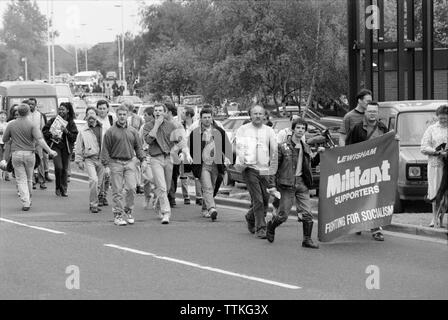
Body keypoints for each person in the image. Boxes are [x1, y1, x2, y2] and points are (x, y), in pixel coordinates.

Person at [266, 118, 323, 248]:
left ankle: (307, 240)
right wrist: (272, 185)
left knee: (307, 213)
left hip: (302, 183)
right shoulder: (282, 147)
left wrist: (319, 154)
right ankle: (271, 226)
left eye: (303, 128)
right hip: (286, 184)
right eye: (298, 128)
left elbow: (310, 164)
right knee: (283, 215)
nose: (300, 130)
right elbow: (273, 166)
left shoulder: (306, 147)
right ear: (292, 129)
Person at [345, 101, 388, 241]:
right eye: (369, 111)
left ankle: (376, 229)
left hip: (377, 170)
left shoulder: (383, 128)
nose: (372, 114)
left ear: (378, 113)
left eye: (374, 112)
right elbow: (349, 148)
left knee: (375, 198)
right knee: (360, 198)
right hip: (360, 170)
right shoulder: (357, 129)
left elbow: (388, 146)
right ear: (365, 112)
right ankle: (359, 224)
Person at [143, 103, 192, 224]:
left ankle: (158, 205)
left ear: (165, 112)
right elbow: (148, 140)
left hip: (169, 158)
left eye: (160, 110)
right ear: (153, 112)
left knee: (168, 186)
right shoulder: (148, 126)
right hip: (155, 158)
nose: (158, 112)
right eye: (156, 110)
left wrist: (186, 152)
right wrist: (157, 125)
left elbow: (180, 141)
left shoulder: (171, 125)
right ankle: (166, 213)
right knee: (162, 186)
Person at [2, 103, 57, 210]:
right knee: (29, 178)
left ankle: (25, 201)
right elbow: (40, 140)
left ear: (18, 112)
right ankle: (29, 197)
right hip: (29, 154)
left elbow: (4, 139)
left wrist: (12, 141)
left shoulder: (11, 124)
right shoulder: (32, 125)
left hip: (16, 154)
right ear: (28, 112)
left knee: (20, 179)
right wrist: (50, 151)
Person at [235, 105, 278, 239]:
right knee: (258, 200)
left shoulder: (269, 131)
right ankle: (261, 228)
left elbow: (274, 150)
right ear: (250, 116)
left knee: (265, 199)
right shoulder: (243, 129)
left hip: (265, 169)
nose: (258, 116)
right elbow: (237, 147)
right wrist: (244, 157)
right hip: (250, 169)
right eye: (255, 114)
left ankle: (250, 216)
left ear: (264, 116)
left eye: (260, 114)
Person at [101, 104, 146, 226]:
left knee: (132, 188)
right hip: (115, 163)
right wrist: (105, 166)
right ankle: (118, 215)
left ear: (128, 115)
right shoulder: (110, 132)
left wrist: (143, 159)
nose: (122, 117)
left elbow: (139, 147)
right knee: (117, 190)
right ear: (116, 115)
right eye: (119, 114)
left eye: (124, 114)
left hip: (130, 162)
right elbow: (105, 149)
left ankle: (128, 210)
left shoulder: (133, 131)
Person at [188, 106, 232, 221]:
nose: (207, 119)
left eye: (209, 117)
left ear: (212, 118)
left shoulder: (219, 131)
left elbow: (226, 146)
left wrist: (227, 158)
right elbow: (190, 148)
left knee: (212, 187)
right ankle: (212, 208)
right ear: (200, 119)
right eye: (204, 117)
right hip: (203, 165)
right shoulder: (195, 133)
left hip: (216, 164)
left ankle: (205, 208)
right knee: (207, 187)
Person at [42, 102, 78, 197]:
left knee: (65, 170)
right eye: (60, 109)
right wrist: (52, 135)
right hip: (55, 146)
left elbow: (74, 137)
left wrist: (66, 131)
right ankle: (58, 187)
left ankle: (64, 189)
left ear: (68, 110)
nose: (61, 111)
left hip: (66, 148)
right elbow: (44, 130)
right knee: (58, 167)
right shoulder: (54, 120)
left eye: (63, 109)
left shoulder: (71, 123)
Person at [421, 104, 448, 228]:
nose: (443, 120)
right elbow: (423, 147)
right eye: (441, 118)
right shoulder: (431, 129)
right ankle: (434, 218)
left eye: (445, 118)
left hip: (446, 165)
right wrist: (436, 152)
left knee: (446, 194)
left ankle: (442, 218)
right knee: (436, 191)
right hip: (436, 165)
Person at [74, 107, 104, 213]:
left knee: (99, 183)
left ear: (96, 115)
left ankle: (94, 201)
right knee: (94, 181)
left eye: (92, 113)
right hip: (89, 159)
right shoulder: (83, 131)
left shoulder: (103, 128)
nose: (90, 116)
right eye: (88, 114)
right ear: (86, 117)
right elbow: (78, 147)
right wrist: (79, 160)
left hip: (102, 159)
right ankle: (93, 205)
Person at [96, 100, 116, 207]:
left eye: (104, 108)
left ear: (108, 109)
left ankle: (104, 195)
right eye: (100, 108)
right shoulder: (94, 120)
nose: (102, 110)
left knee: (108, 175)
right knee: (101, 174)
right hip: (99, 150)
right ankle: (100, 195)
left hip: (110, 150)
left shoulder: (111, 119)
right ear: (97, 109)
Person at [26, 98, 49, 190]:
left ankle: (42, 181)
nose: (30, 106)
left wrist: (43, 142)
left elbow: (42, 129)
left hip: (38, 141)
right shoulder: (25, 115)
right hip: (28, 141)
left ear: (36, 105)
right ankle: (32, 181)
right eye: (29, 104)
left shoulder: (40, 115)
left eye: (32, 104)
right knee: (30, 162)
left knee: (40, 161)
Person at [0, 110, 8, 180]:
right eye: (1, 115)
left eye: (4, 115)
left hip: (6, 142)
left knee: (5, 158)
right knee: (0, 158)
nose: (2, 116)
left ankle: (5, 174)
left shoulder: (8, 124)